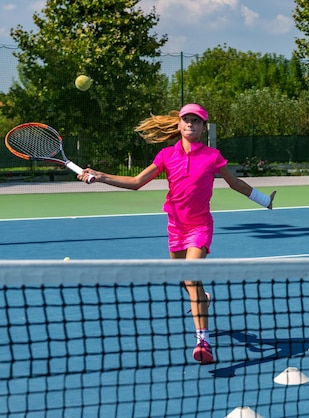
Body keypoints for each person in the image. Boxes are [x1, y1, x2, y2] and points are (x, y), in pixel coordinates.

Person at [78, 103, 276, 365]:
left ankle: (203, 341)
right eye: (186, 120)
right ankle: (203, 299)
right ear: (179, 124)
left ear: (204, 127)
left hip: (200, 227)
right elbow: (137, 182)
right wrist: (101, 176)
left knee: (193, 277)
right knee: (183, 279)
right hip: (175, 227)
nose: (190, 124)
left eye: (196, 121)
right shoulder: (165, 155)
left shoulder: (212, 156)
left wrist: (263, 199)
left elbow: (234, 183)